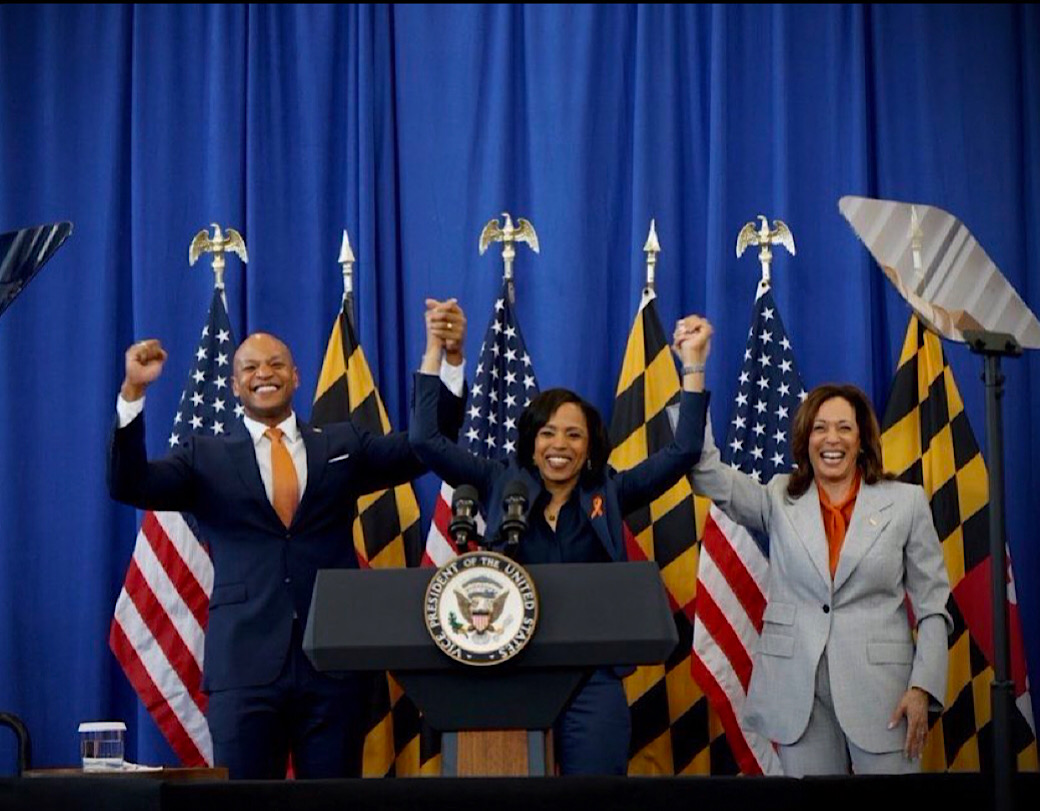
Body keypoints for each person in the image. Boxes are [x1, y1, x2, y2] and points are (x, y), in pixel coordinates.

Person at [108, 300, 467, 779]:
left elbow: (424, 448)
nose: (264, 374)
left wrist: (449, 358)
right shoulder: (205, 455)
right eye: (250, 367)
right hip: (244, 669)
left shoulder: (341, 444)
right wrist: (133, 393)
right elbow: (130, 485)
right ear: (235, 385)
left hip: (333, 664)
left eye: (276, 364)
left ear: (296, 377)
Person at [410, 304, 712, 775]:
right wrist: (435, 351)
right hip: (507, 671)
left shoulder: (610, 493)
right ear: (531, 441)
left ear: (590, 446)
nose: (560, 445)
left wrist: (692, 365)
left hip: (591, 680)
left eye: (574, 435)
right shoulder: (497, 482)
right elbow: (425, 441)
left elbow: (683, 451)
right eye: (548, 433)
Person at [680, 315, 952, 776]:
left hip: (884, 693)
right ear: (805, 440)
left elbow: (933, 606)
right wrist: (693, 368)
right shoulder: (779, 497)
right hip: (796, 696)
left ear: (863, 440)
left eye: (845, 428)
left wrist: (923, 688)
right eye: (820, 428)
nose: (832, 439)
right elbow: (705, 472)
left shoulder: (905, 502)